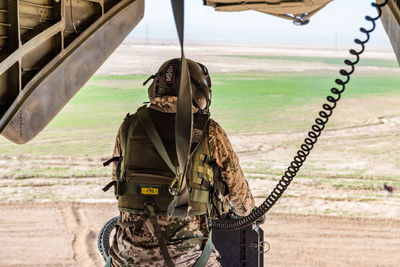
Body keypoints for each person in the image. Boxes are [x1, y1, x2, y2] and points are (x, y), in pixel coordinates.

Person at [104, 58, 255, 267]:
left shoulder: (128, 127)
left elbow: (119, 184)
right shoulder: (210, 131)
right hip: (189, 259)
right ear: (199, 92)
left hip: (127, 257)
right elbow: (240, 196)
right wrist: (247, 212)